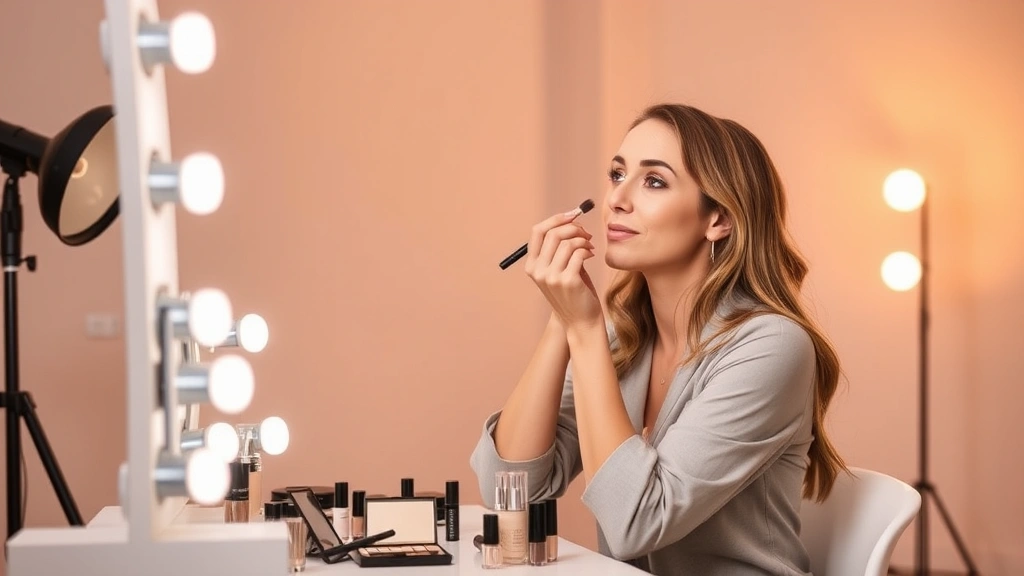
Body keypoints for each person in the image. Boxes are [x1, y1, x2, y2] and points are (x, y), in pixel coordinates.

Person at [469, 103, 847, 575]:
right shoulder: (624, 341)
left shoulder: (771, 346)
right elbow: (509, 488)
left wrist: (584, 332)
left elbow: (637, 521)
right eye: (616, 174)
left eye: (654, 181)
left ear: (719, 219)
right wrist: (562, 323)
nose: (617, 200)